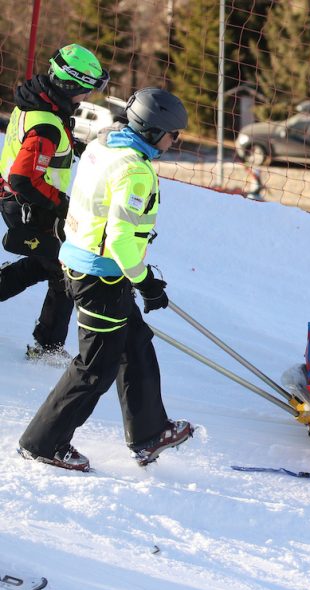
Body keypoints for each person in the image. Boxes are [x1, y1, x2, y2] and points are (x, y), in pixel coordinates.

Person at [17, 88, 194, 472]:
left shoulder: (105, 145)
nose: (175, 140)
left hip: (85, 262)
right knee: (95, 367)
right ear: (150, 131)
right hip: (101, 276)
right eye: (172, 133)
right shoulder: (135, 170)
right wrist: (145, 281)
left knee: (135, 342)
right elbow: (120, 241)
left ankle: (150, 433)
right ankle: (43, 442)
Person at [0, 44, 108, 361]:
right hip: (28, 204)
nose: (87, 97)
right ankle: (47, 348)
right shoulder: (46, 124)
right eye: (86, 90)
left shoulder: (36, 103)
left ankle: (47, 344)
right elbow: (25, 178)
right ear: (69, 85)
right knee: (65, 269)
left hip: (22, 199)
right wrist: (61, 204)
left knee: (43, 265)